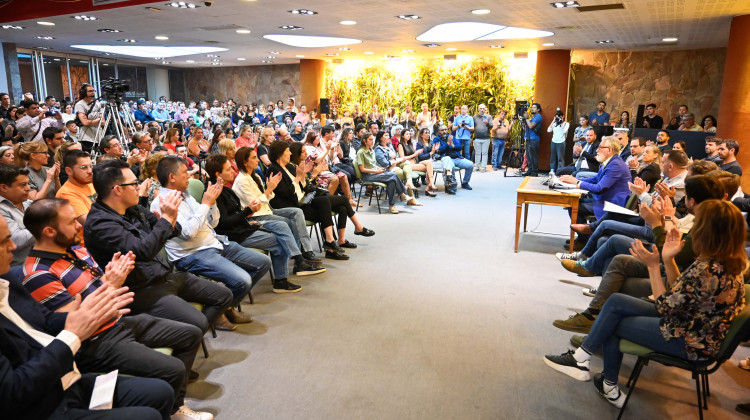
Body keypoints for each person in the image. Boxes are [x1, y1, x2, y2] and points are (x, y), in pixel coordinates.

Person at [544, 199, 746, 409]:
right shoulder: (725, 261)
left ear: (708, 232)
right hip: (689, 323)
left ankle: (605, 382)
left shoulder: (709, 270)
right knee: (615, 302)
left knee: (612, 323)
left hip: (689, 341)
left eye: (698, 225)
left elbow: (664, 306)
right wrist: (668, 260)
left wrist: (652, 266)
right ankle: (584, 362)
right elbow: (679, 291)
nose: (693, 230)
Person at [21, 198, 211, 420]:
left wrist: (111, 279)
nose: (79, 225)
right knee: (174, 368)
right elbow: (75, 323)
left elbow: (94, 289)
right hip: (95, 342)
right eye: (72, 222)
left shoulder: (75, 250)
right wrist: (110, 285)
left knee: (191, 334)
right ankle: (174, 409)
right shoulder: (38, 274)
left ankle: (173, 400)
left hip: (116, 322)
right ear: (49, 231)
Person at [0, 217, 176, 420]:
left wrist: (86, 311)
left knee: (161, 392)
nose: (13, 246)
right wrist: (73, 332)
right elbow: (12, 393)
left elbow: (46, 321)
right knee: (149, 413)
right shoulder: (36, 272)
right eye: (4, 241)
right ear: (49, 231)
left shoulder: (7, 280)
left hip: (67, 376)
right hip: (41, 404)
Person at [84, 160, 235, 333]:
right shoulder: (101, 224)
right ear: (118, 190)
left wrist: (165, 222)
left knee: (224, 295)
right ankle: (189, 333)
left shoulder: (132, 209)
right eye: (134, 184)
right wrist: (165, 220)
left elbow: (174, 229)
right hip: (142, 289)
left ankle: (191, 333)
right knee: (198, 323)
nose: (139, 187)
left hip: (164, 274)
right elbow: (144, 250)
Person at [151, 156, 272, 312]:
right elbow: (188, 233)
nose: (189, 174)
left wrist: (212, 204)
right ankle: (216, 313)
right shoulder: (162, 202)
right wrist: (206, 204)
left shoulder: (185, 195)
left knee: (263, 262)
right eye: (184, 172)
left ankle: (224, 308)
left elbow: (213, 223)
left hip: (215, 242)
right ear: (172, 177)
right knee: (243, 281)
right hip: (192, 254)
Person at [205, 154, 308, 292]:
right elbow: (223, 224)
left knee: (283, 225)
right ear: (218, 174)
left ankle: (293, 265)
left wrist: (247, 214)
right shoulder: (215, 194)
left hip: (245, 225)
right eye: (228, 169)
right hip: (235, 235)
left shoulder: (227, 189)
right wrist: (247, 212)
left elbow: (238, 212)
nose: (232, 172)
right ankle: (287, 274)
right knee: (279, 240)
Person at [231, 146, 325, 264]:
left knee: (297, 211)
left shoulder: (256, 176)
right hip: (257, 215)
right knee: (288, 222)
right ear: (245, 162)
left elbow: (268, 198)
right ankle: (299, 258)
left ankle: (305, 251)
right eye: (254, 158)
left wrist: (270, 189)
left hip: (267, 209)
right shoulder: (242, 180)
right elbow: (255, 205)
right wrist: (269, 189)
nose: (258, 160)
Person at [558, 135, 631, 223]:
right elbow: (595, 179)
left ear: (610, 150)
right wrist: (572, 180)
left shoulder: (615, 165)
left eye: (600, 147)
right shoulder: (611, 161)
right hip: (605, 199)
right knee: (574, 201)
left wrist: (577, 182)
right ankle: (585, 235)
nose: (597, 150)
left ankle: (585, 236)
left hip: (611, 204)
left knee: (574, 205)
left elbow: (599, 188)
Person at [356, 132, 409, 214]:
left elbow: (373, 165)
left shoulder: (372, 150)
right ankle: (403, 194)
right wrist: (377, 171)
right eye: (370, 140)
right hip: (368, 176)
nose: (372, 141)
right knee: (393, 175)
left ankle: (392, 205)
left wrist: (379, 168)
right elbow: (362, 169)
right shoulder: (361, 152)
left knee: (392, 180)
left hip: (375, 173)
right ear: (364, 141)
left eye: (372, 139)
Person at [0, 164, 34, 266]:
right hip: (18, 265)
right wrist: (45, 224)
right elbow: (16, 240)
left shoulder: (27, 202)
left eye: (28, 184)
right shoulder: (1, 209)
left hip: (40, 259)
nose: (28, 188)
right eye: (23, 185)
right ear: (4, 187)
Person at [374, 131, 421, 203]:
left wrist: (398, 160)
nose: (388, 137)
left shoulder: (389, 146)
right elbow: (385, 164)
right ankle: (412, 199)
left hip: (395, 164)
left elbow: (395, 157)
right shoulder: (378, 149)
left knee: (407, 162)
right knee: (405, 173)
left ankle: (409, 182)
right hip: (387, 168)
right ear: (380, 138)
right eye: (386, 135)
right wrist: (396, 161)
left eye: (388, 135)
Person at [56, 150, 96, 229]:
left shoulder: (90, 183)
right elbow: (91, 223)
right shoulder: (66, 194)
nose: (90, 171)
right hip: (87, 240)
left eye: (91, 166)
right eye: (84, 167)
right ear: (69, 171)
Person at [433, 125, 475, 192]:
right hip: (447, 159)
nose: (444, 131)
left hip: (457, 158)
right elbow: (439, 150)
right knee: (450, 167)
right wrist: (447, 144)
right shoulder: (436, 139)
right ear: (438, 131)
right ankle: (453, 185)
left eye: (445, 130)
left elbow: (459, 147)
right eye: (442, 130)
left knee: (470, 165)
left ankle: (465, 183)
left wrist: (452, 145)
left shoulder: (451, 137)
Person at [401, 128, 437, 196]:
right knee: (429, 165)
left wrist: (436, 151)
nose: (409, 135)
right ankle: (430, 186)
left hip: (415, 163)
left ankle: (430, 186)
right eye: (407, 134)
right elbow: (402, 158)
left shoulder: (409, 145)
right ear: (402, 136)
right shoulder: (400, 145)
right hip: (407, 164)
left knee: (428, 164)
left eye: (409, 134)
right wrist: (414, 155)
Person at [73, 84, 102, 152]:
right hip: (86, 138)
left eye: (94, 91)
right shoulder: (80, 104)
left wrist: (90, 121)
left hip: (99, 136)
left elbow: (103, 122)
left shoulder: (97, 103)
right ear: (84, 92)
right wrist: (98, 120)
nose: (93, 92)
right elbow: (85, 123)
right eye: (90, 91)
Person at [522, 103, 543, 176]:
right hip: (528, 138)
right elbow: (526, 127)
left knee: (533, 156)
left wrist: (527, 118)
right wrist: (523, 121)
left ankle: (535, 172)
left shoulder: (538, 117)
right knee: (528, 156)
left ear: (538, 109)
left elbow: (531, 126)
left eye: (534, 108)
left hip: (534, 139)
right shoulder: (532, 117)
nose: (532, 109)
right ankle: (530, 170)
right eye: (532, 107)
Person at [547, 109, 570, 173]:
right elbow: (548, 130)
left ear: (563, 116)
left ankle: (560, 172)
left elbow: (564, 131)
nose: (558, 118)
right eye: (557, 116)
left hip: (561, 142)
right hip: (554, 141)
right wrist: (553, 121)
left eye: (559, 116)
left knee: (560, 158)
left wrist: (561, 122)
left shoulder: (566, 124)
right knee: (553, 158)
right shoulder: (554, 123)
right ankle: (552, 171)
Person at [473, 104, 493, 172]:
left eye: (483, 108)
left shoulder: (488, 117)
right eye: (481, 108)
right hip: (477, 137)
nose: (482, 110)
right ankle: (477, 167)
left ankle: (483, 167)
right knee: (477, 153)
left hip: (486, 138)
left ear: (485, 109)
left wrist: (487, 123)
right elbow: (472, 127)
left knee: (485, 153)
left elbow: (491, 127)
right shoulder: (475, 117)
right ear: (478, 109)